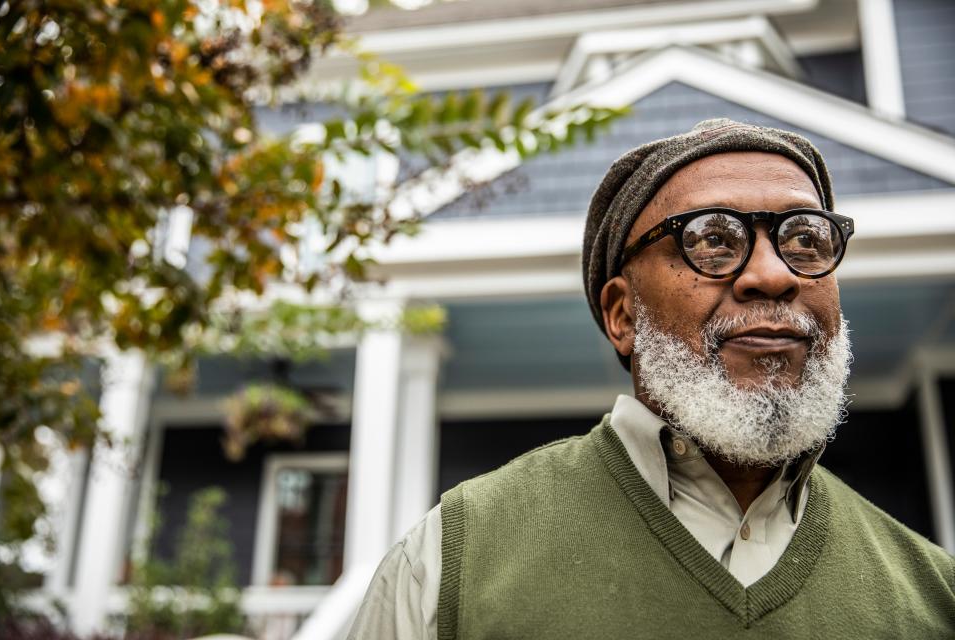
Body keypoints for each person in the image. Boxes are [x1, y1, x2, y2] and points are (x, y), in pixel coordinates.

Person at [348, 119, 955, 639]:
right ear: (622, 315)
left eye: (805, 239)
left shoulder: (935, 595)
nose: (773, 275)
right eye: (713, 240)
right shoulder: (454, 559)